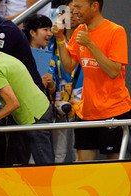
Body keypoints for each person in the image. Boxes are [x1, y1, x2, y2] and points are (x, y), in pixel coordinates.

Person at [52, 0, 131, 161]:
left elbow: (114, 71)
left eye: (79, 7)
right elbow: (68, 66)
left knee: (114, 168)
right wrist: (60, 38)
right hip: (86, 111)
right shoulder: (80, 30)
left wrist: (90, 44)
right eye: (73, 7)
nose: (74, 11)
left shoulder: (116, 31)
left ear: (94, 6)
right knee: (83, 168)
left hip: (114, 111)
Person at [0, 28, 54, 165]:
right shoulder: (0, 56)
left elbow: (13, 103)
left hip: (35, 117)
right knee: (15, 162)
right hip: (32, 111)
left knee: (45, 165)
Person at [49, 0, 83, 162]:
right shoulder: (54, 42)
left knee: (80, 151)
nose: (74, 14)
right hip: (60, 102)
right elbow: (50, 69)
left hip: (83, 102)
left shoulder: (86, 39)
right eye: (69, 11)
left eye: (77, 10)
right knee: (59, 152)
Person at [22, 13, 55, 97]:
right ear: (32, 33)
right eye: (45, 29)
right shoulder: (22, 55)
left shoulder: (47, 54)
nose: (49, 34)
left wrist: (51, 84)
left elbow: (51, 92)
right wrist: (40, 85)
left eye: (50, 30)